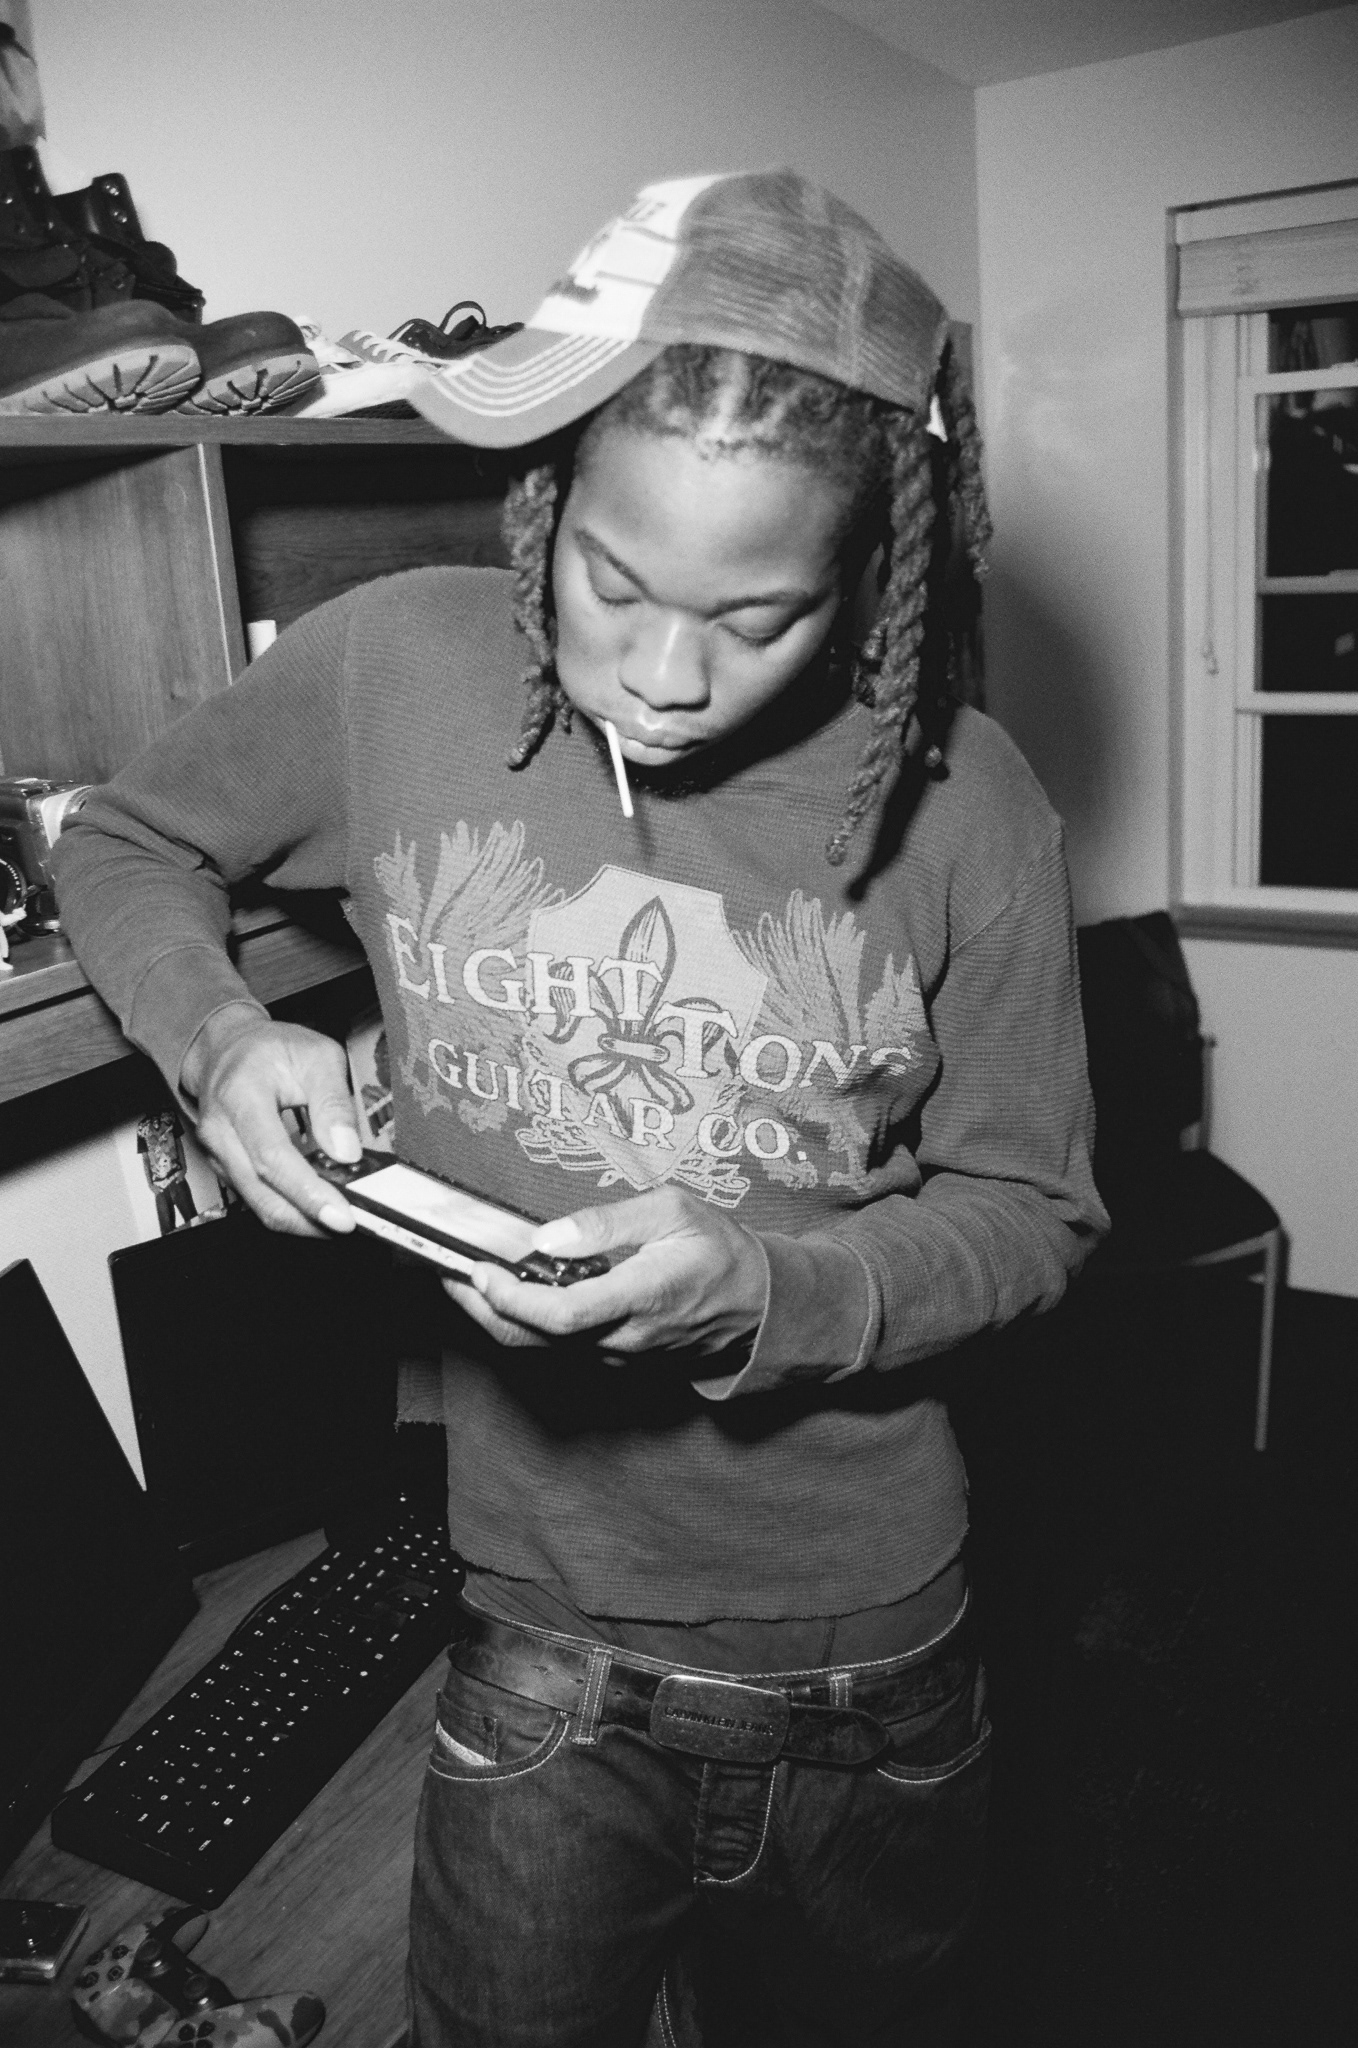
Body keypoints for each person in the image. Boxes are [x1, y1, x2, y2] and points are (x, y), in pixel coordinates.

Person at [53, 169, 1106, 2048]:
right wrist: (216, 1040)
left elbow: (1034, 1214)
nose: (667, 676)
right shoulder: (394, 663)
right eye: (612, 583)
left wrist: (765, 1291)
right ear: (541, 497)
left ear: (873, 570)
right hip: (531, 1628)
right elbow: (129, 843)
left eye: (760, 615)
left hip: (861, 1664)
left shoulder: (973, 804)